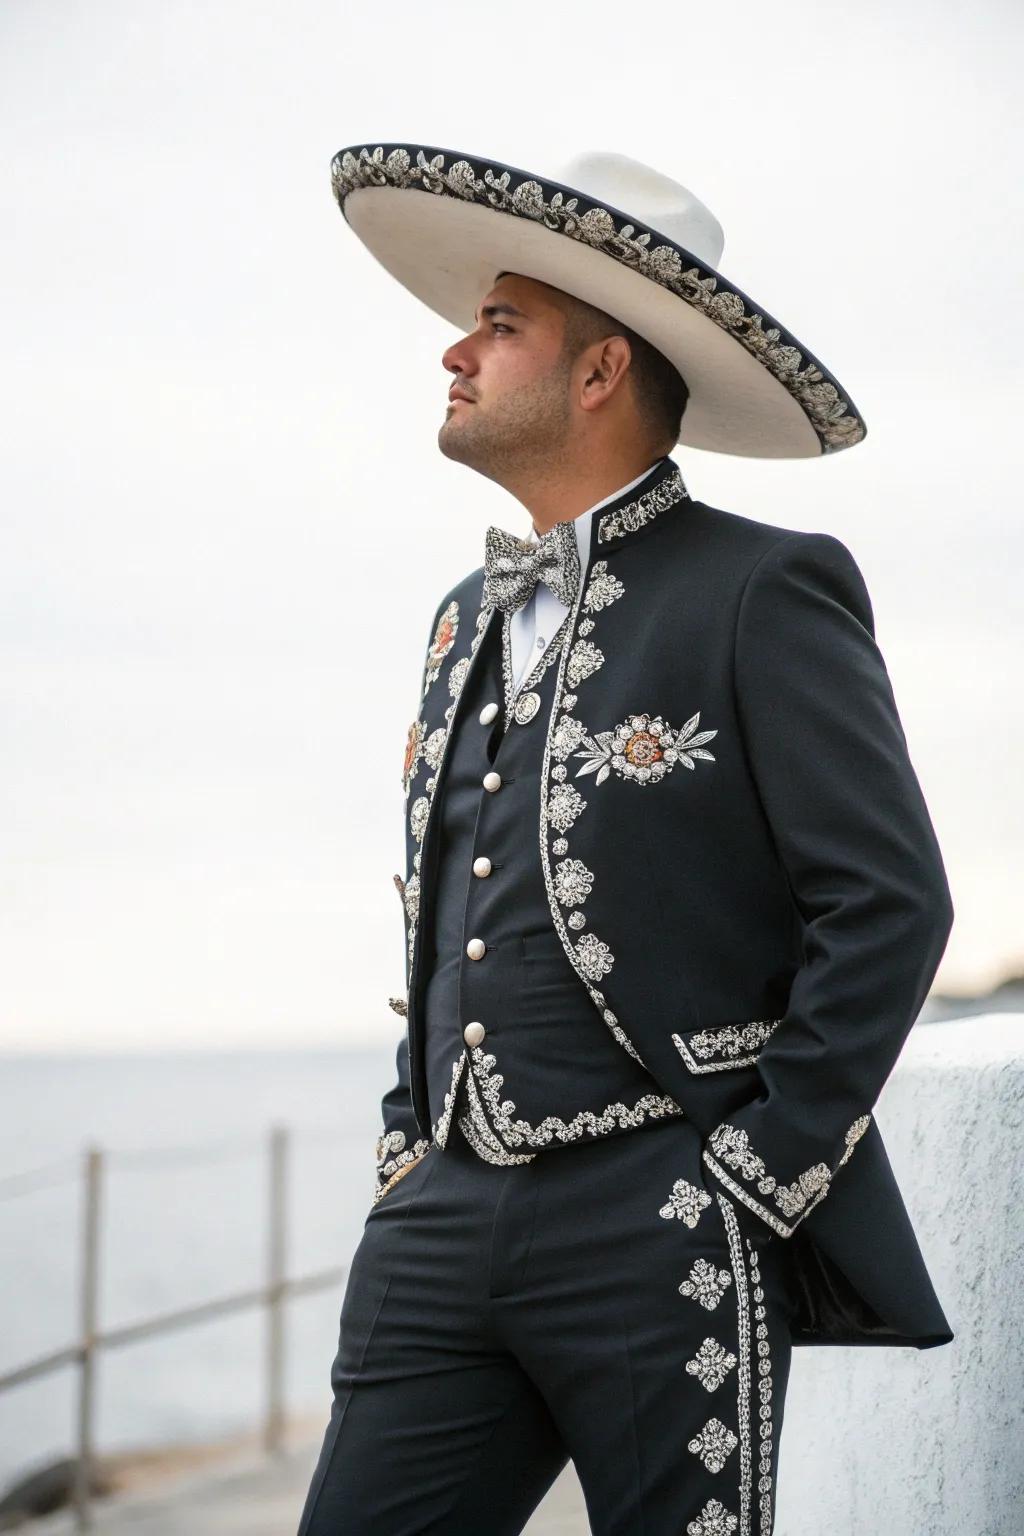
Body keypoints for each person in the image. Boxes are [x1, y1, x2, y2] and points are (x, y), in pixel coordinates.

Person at [296, 144, 955, 1536]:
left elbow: (889, 901)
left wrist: (761, 1170)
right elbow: (446, 906)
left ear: (599, 371)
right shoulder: (458, 618)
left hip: (664, 1216)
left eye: (500, 324)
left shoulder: (763, 589)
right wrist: (409, 1138)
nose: (454, 353)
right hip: (440, 1214)